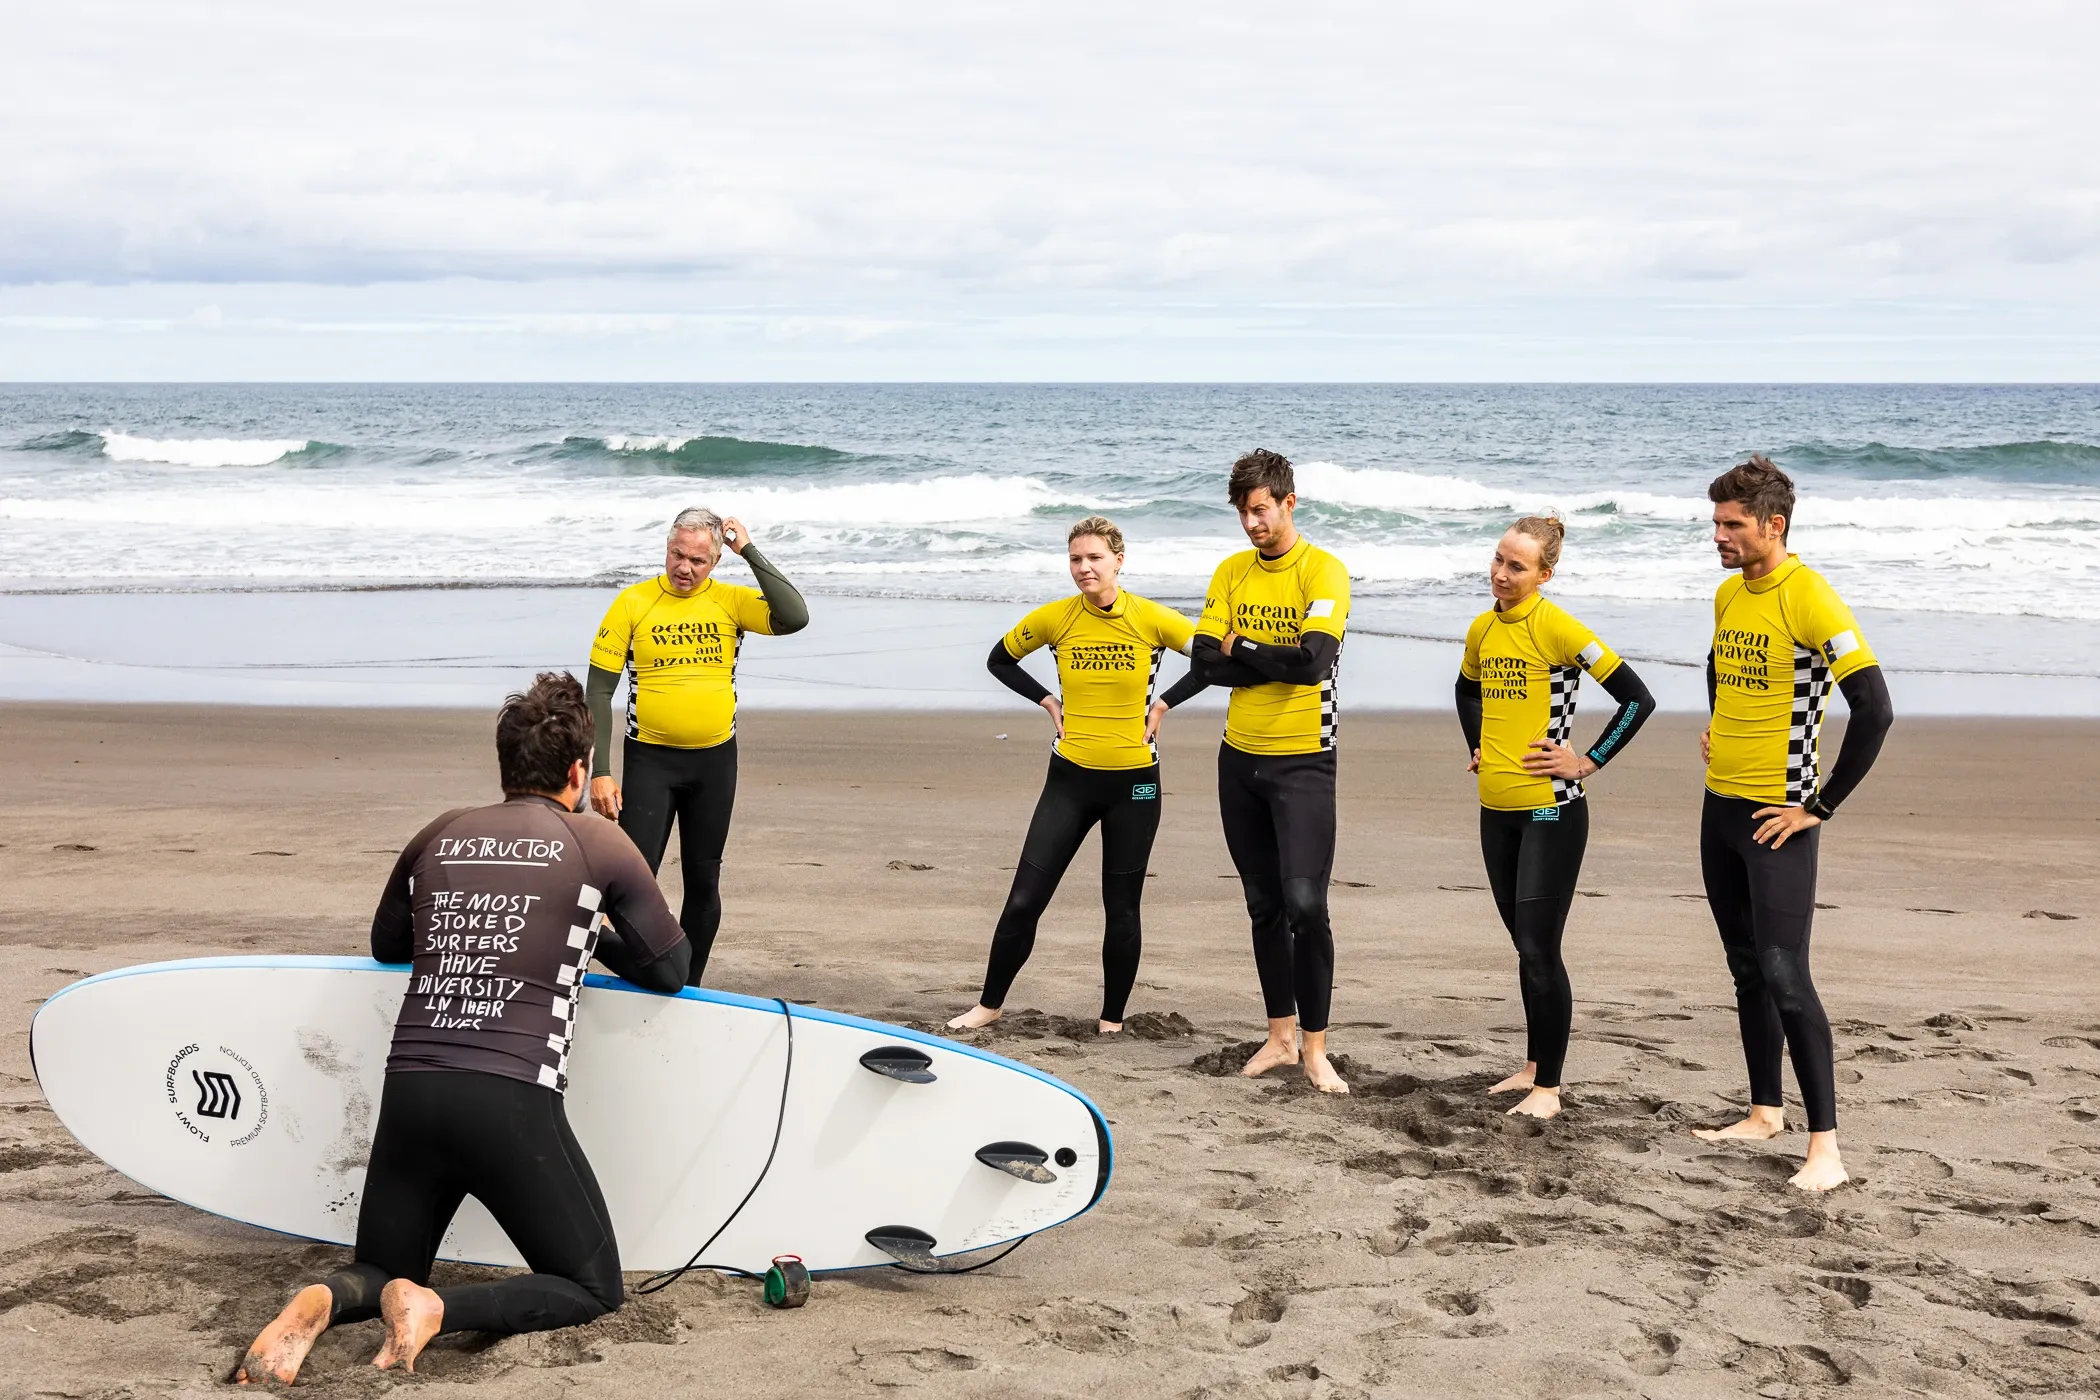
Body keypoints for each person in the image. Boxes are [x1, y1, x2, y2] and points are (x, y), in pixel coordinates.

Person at [236, 673, 691, 1384]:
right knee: (593, 1286)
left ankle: (323, 1298)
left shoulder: (439, 834)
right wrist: (591, 929)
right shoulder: (597, 844)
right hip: (509, 1101)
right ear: (578, 772)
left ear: (506, 768)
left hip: (412, 1090)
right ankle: (437, 1308)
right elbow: (671, 967)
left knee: (381, 1267)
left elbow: (388, 944)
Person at [1690, 456, 1894, 1192]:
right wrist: (1720, 723)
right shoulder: (1727, 595)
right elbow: (1718, 668)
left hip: (1780, 818)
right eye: (1715, 523)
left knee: (1786, 974)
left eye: (1733, 525)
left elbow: (1873, 707)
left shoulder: (1809, 597)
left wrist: (1818, 807)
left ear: (1774, 525)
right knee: (1745, 968)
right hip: (1719, 808)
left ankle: (1826, 1149)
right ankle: (1764, 1110)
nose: (1719, 535)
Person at [947, 516, 1205, 1035]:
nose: (1084, 568)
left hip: (1135, 784)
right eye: (1075, 559)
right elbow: (1000, 660)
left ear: (1119, 560)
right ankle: (989, 1005)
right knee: (1024, 899)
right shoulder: (1056, 619)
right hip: (1069, 780)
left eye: (1094, 558)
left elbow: (1213, 662)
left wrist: (1165, 703)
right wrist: (1045, 699)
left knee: (1122, 907)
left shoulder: (1154, 619)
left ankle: (1112, 1019)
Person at [1455, 516, 1656, 1119]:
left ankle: (1550, 1089)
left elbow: (1637, 698)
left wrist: (1587, 760)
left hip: (1551, 812)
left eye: (1517, 566)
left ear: (1545, 573)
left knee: (1541, 949)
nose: (1501, 574)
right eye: (1497, 560)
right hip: (1496, 812)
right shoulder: (1482, 629)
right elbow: (1466, 691)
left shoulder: (1558, 627)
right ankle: (1533, 1066)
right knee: (1525, 947)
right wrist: (1477, 743)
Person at [585, 507, 808, 985]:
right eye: (676, 555)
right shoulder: (633, 603)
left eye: (698, 560)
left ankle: (689, 984)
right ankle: (642, 968)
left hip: (714, 763)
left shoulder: (732, 602)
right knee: (632, 880)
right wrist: (600, 769)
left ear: (716, 561)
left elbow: (795, 616)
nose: (684, 568)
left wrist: (747, 549)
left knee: (703, 880)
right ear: (666, 550)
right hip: (650, 760)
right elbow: (599, 691)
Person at [1187, 449, 1352, 1093]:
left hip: (1304, 760)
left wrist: (1244, 648)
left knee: (1306, 905)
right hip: (1239, 760)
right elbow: (1205, 665)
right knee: (1263, 906)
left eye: (1260, 510)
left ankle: (1315, 1048)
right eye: (1242, 512)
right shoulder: (1230, 572)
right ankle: (1279, 1036)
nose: (1251, 523)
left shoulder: (1324, 572)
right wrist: (1255, 657)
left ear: (1289, 503)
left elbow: (1314, 664)